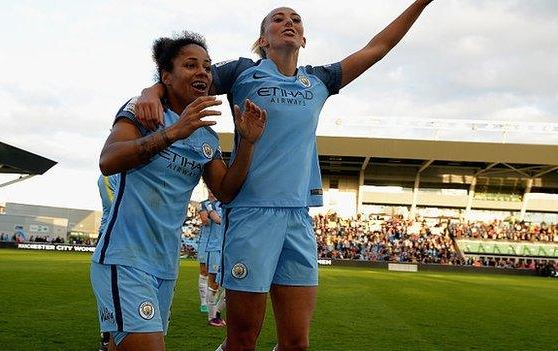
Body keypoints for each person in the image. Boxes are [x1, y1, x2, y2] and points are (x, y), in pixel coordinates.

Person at [134, 2, 434, 350]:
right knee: (243, 339)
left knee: (297, 343)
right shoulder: (242, 73)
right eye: (278, 19)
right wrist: (150, 92)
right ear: (263, 39)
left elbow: (377, 49)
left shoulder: (319, 80)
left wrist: (422, 3)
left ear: (303, 39)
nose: (288, 22)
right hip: (251, 214)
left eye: (295, 20)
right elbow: (185, 82)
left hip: (298, 218)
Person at [90, 31, 266, 351]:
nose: (202, 71)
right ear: (167, 77)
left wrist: (248, 144)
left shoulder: (206, 138)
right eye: (190, 64)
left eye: (207, 66)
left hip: (165, 266)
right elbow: (109, 160)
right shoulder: (144, 110)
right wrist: (173, 132)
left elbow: (225, 191)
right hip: (124, 258)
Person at [96, 174, 119, 351]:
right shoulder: (107, 175)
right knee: (110, 293)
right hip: (109, 235)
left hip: (131, 238)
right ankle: (107, 337)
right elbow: (114, 206)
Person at [202, 191, 225, 327]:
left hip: (226, 249)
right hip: (214, 249)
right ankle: (212, 317)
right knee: (214, 285)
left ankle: (216, 312)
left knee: (228, 286)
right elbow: (216, 219)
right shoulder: (209, 206)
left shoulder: (227, 205)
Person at [196, 196, 213, 313]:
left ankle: (212, 302)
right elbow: (205, 221)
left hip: (219, 243)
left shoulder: (223, 203)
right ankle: (204, 303)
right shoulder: (204, 204)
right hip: (206, 242)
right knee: (204, 271)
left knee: (216, 275)